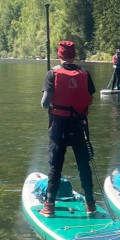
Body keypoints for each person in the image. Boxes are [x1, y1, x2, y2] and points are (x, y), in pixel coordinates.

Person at [40, 41, 97, 217]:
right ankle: (90, 204)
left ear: (59, 55)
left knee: (55, 165)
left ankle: (49, 206)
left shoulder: (52, 73)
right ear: (74, 55)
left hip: (59, 125)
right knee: (83, 165)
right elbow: (90, 96)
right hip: (79, 124)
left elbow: (44, 104)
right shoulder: (84, 73)